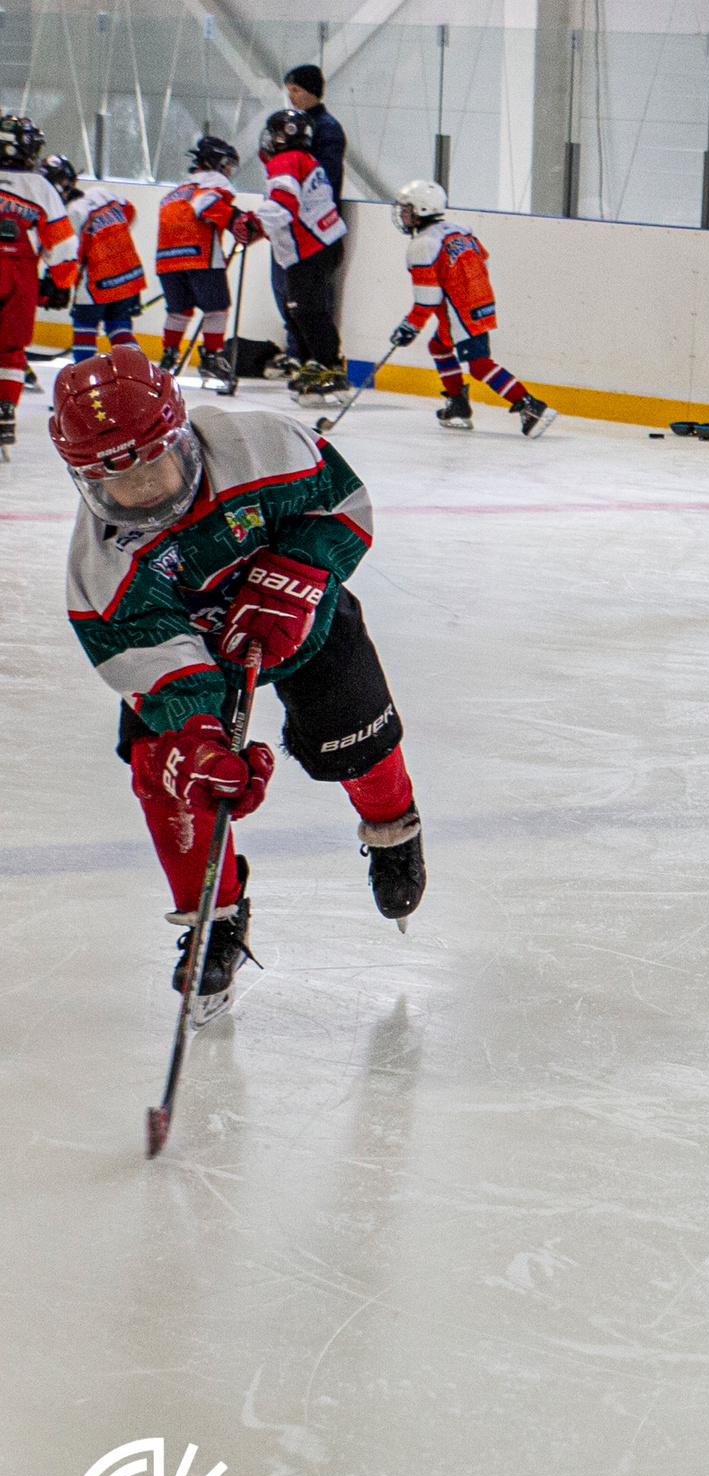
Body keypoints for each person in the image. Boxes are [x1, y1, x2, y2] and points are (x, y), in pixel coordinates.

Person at [52, 347, 426, 1022]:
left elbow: (342, 503)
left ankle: (395, 828)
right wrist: (194, 737)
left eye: (150, 465)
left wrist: (300, 574)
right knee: (170, 775)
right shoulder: (101, 566)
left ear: (180, 432)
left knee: (358, 733)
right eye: (115, 481)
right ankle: (213, 918)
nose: (140, 493)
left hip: (306, 624)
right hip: (203, 660)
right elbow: (152, 661)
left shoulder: (260, 446)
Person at [385, 180, 559, 437]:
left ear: (422, 209)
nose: (402, 214)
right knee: (439, 345)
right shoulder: (460, 230)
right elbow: (483, 259)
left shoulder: (422, 244)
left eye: (407, 209)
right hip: (480, 300)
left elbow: (428, 299)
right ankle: (458, 406)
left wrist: (410, 325)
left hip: (461, 311)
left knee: (478, 364)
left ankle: (530, 405)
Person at [252, 107, 347, 403]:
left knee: (306, 310)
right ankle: (316, 364)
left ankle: (328, 367)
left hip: (310, 248)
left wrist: (251, 221)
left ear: (284, 136)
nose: (270, 139)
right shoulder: (306, 158)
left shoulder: (286, 160)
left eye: (274, 133)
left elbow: (283, 206)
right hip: (322, 243)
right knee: (303, 309)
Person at [0, 112, 75, 452]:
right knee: (11, 350)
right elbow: (63, 243)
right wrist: (61, 280)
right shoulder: (41, 187)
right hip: (20, 272)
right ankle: (4, 411)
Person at [154, 135, 245, 390]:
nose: (229, 171)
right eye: (227, 164)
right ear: (216, 162)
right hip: (200, 254)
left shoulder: (177, 190)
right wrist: (237, 219)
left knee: (178, 310)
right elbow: (205, 206)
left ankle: (168, 356)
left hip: (167, 258)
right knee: (217, 309)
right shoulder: (214, 182)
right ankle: (212, 357)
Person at [40, 155, 147, 356]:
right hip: (129, 275)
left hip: (96, 282)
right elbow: (130, 213)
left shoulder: (71, 214)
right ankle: (136, 376)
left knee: (85, 329)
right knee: (120, 328)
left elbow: (69, 256)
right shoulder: (102, 193)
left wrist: (57, 282)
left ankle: (85, 381)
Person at [274, 64, 344, 368]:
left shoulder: (326, 128)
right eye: (289, 91)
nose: (291, 97)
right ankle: (297, 351)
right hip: (288, 224)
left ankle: (319, 358)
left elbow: (321, 178)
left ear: (312, 91)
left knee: (310, 297)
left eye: (297, 90)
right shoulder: (289, 126)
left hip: (315, 228)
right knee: (287, 292)